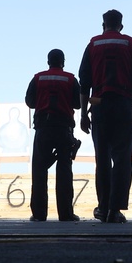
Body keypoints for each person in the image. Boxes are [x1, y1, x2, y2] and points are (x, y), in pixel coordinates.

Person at [78, 9, 132, 223]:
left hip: (99, 105)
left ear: (103, 25)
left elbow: (84, 84)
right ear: (121, 26)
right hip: (124, 105)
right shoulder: (131, 46)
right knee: (123, 159)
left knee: (102, 160)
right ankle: (115, 209)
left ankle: (103, 206)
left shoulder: (92, 46)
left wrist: (83, 114)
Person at [24, 49, 81, 222]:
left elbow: (29, 101)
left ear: (48, 61)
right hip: (63, 129)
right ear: (63, 62)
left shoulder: (38, 78)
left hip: (43, 128)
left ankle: (39, 214)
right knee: (64, 171)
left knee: (39, 171)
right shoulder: (70, 79)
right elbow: (78, 104)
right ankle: (66, 214)